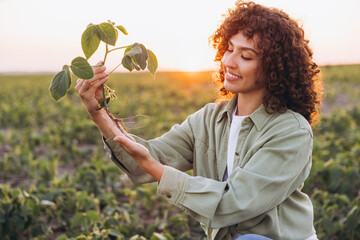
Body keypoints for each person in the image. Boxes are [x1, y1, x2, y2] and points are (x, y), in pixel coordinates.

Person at [75, 1, 322, 239]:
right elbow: (143, 160)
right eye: (229, 49)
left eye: (246, 56)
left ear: (274, 68)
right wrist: (98, 112)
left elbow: (235, 203)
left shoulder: (291, 131)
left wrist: (157, 169)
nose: (229, 62)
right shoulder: (209, 119)